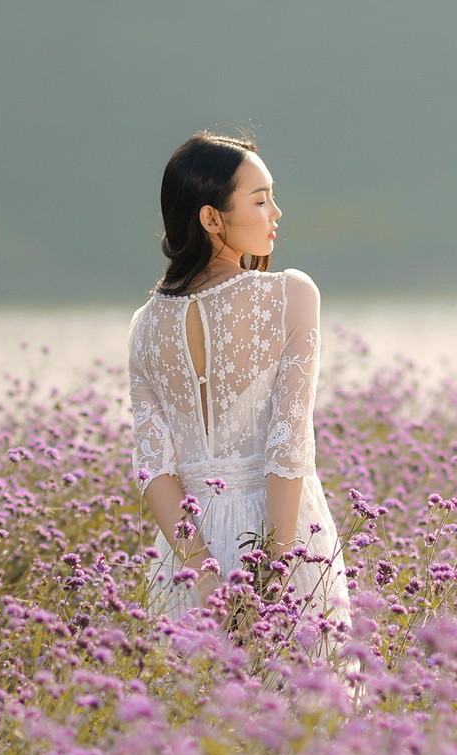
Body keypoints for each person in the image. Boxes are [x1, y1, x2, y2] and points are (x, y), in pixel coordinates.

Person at [128, 130, 352, 662]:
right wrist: (270, 578)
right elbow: (287, 446)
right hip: (280, 537)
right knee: (305, 725)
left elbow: (153, 468)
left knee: (198, 731)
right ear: (211, 218)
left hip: (186, 549)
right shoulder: (290, 295)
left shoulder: (144, 325)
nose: (276, 211)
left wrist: (203, 580)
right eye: (259, 199)